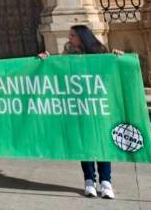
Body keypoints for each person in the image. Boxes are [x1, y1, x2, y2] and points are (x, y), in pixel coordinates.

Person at [40, 25, 122, 200]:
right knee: (84, 144)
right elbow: (58, 70)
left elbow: (110, 73)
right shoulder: (68, 53)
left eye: (72, 36)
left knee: (101, 144)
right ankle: (89, 181)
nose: (69, 39)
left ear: (82, 37)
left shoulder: (100, 52)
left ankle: (106, 181)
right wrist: (46, 60)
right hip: (79, 106)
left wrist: (117, 58)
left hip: (97, 107)